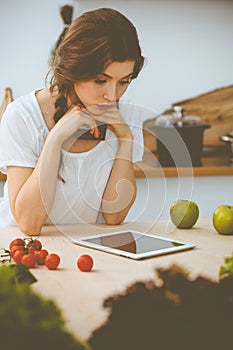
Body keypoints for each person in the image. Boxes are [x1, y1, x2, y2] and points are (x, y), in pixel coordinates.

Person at [0, 7, 145, 236]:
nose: (113, 95)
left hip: (86, 251)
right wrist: (55, 138)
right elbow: (29, 224)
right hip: (23, 251)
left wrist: (126, 139)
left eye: (124, 81)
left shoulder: (126, 115)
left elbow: (114, 215)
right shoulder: (21, 115)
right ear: (74, 69)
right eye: (101, 80)